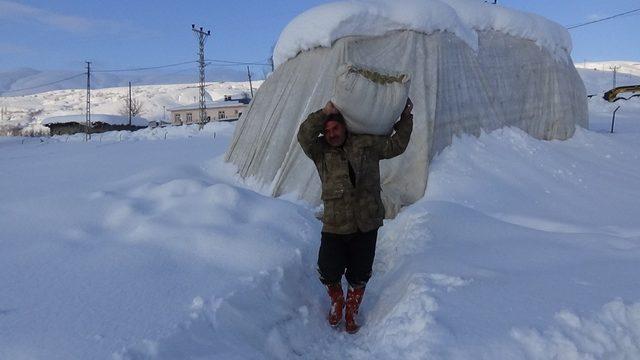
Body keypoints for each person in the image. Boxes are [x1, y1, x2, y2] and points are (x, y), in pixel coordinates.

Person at [297, 98, 413, 333]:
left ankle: (351, 308)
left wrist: (406, 118)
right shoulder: (321, 152)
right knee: (327, 269)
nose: (332, 134)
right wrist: (324, 113)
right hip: (336, 223)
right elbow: (304, 136)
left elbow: (396, 145)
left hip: (366, 220)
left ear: (344, 127)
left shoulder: (365, 144)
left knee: (360, 272)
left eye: (335, 127)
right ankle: (337, 299)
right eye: (327, 130)